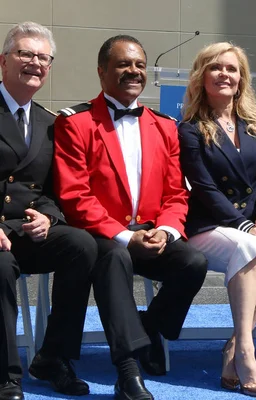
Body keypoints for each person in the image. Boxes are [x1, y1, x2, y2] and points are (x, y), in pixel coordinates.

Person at [52, 35, 208, 400]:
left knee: (193, 262)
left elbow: (175, 192)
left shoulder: (165, 126)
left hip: (152, 230)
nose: (133, 71)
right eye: (123, 64)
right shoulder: (75, 123)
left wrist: (167, 232)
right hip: (101, 236)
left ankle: (149, 325)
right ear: (102, 71)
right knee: (116, 256)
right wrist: (124, 235)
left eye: (139, 65)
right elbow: (75, 196)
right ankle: (127, 370)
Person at [179, 42, 256, 398]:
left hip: (251, 225)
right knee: (251, 247)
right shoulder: (191, 129)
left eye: (232, 69)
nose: (225, 74)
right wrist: (243, 224)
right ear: (202, 76)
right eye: (216, 68)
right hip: (207, 226)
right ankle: (246, 352)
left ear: (242, 79)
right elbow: (203, 187)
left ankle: (234, 345)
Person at [0, 21, 98, 400]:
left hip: (25, 231)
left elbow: (55, 190)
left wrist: (49, 216)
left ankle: (53, 357)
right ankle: (7, 374)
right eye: (26, 54)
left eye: (43, 57)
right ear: (4, 61)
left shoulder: (51, 123)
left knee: (82, 245)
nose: (35, 63)